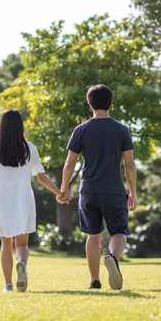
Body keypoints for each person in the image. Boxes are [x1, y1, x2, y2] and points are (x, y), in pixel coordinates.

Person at [0, 109, 67, 292]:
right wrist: (59, 192)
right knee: (23, 244)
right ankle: (22, 264)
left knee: (6, 244)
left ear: (2, 126)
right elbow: (41, 177)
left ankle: (8, 284)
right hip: (23, 199)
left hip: (1, 202)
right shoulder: (30, 148)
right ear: (20, 126)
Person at [60, 84, 137, 290]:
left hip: (89, 191)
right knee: (119, 231)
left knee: (93, 235)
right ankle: (112, 257)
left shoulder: (81, 130)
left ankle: (94, 281)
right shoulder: (122, 130)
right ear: (111, 103)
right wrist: (134, 192)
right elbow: (129, 164)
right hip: (114, 190)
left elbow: (69, 163)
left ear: (89, 103)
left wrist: (64, 187)